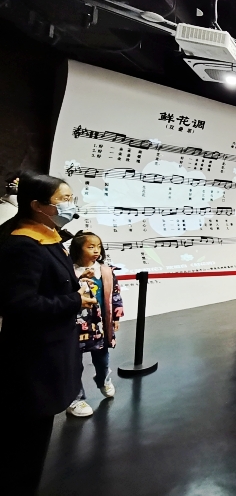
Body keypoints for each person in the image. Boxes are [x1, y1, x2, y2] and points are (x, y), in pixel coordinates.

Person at [0, 173, 93, 495]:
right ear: (37, 205)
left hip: (51, 351)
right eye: (64, 200)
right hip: (33, 359)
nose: (71, 204)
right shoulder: (22, 245)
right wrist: (75, 300)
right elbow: (20, 304)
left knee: (34, 443)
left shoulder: (49, 236)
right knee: (23, 449)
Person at [69, 231, 124, 417]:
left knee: (102, 356)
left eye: (98, 246)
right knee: (73, 362)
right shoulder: (69, 271)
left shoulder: (105, 270)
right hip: (74, 326)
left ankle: (103, 379)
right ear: (78, 249)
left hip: (99, 324)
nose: (96, 250)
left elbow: (115, 294)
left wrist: (115, 317)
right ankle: (76, 398)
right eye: (90, 246)